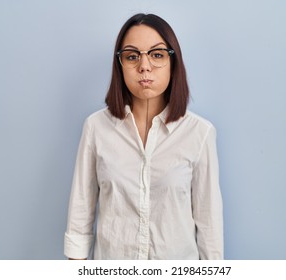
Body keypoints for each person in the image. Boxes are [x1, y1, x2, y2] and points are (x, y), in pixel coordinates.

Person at [64, 13, 223, 260]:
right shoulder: (96, 128)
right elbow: (80, 215)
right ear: (120, 64)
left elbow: (209, 225)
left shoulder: (200, 134)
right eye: (132, 56)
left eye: (157, 54)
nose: (144, 66)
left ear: (173, 62)